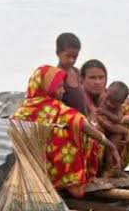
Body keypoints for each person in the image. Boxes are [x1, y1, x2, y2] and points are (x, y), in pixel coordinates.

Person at [13, 65, 121, 198]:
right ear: (48, 87)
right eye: (59, 87)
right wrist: (111, 146)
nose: (63, 91)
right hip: (55, 170)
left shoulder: (22, 110)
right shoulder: (55, 108)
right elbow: (83, 125)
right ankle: (72, 183)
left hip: (33, 170)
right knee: (80, 134)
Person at [94, 81, 129, 176]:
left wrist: (105, 112)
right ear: (106, 91)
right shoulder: (102, 97)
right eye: (108, 99)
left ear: (121, 103)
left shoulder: (119, 108)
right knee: (107, 128)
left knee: (113, 145)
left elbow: (118, 119)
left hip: (113, 128)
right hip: (101, 126)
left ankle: (112, 169)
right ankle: (108, 170)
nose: (108, 103)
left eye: (113, 103)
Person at [55, 32, 89, 115]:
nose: (71, 60)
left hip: (83, 120)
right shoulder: (55, 76)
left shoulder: (77, 72)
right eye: (68, 56)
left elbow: (84, 98)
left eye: (75, 57)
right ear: (58, 53)